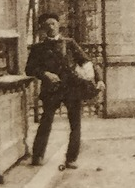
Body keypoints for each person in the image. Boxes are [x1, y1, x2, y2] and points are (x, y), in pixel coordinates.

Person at [24, 12, 96, 169]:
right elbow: (29, 69)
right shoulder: (38, 48)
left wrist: (99, 79)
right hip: (52, 90)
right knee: (46, 122)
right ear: (42, 28)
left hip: (72, 88)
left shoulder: (69, 43)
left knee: (75, 124)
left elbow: (86, 61)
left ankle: (71, 158)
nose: (51, 27)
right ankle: (38, 155)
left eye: (53, 24)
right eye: (47, 25)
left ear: (58, 25)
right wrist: (45, 74)